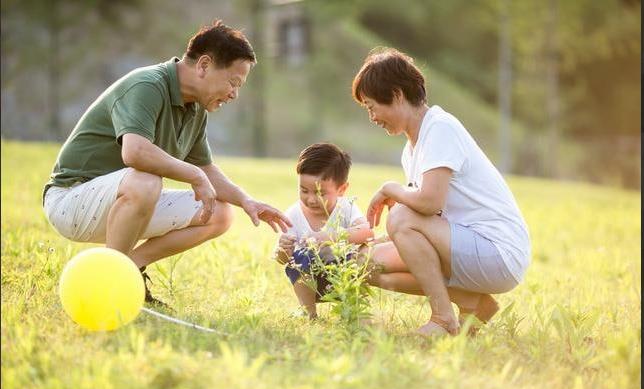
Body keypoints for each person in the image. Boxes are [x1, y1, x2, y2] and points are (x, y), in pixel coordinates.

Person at [42, 20, 291, 306]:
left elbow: (207, 169)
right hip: (72, 199)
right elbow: (134, 153)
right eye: (233, 82)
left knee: (220, 213)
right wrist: (194, 175)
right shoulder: (147, 85)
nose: (235, 94)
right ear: (204, 65)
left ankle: (129, 270)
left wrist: (246, 201)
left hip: (123, 201)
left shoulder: (196, 108)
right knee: (146, 180)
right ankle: (108, 285)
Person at [351, 48, 531, 336]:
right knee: (365, 262)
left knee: (400, 217)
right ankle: (474, 303)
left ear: (397, 95)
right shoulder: (411, 150)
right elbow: (430, 219)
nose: (372, 116)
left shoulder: (441, 128)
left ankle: (443, 319)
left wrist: (390, 189)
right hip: (463, 245)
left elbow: (427, 203)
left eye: (372, 106)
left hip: (497, 252)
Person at [274, 143, 374, 319]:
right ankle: (309, 313)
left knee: (360, 257)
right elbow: (283, 261)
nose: (311, 199)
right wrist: (283, 250)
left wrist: (328, 236)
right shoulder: (293, 215)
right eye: (304, 190)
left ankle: (351, 312)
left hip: (343, 277)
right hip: (311, 284)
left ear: (341, 189)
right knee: (297, 260)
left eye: (320, 193)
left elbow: (367, 232)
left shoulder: (346, 207)